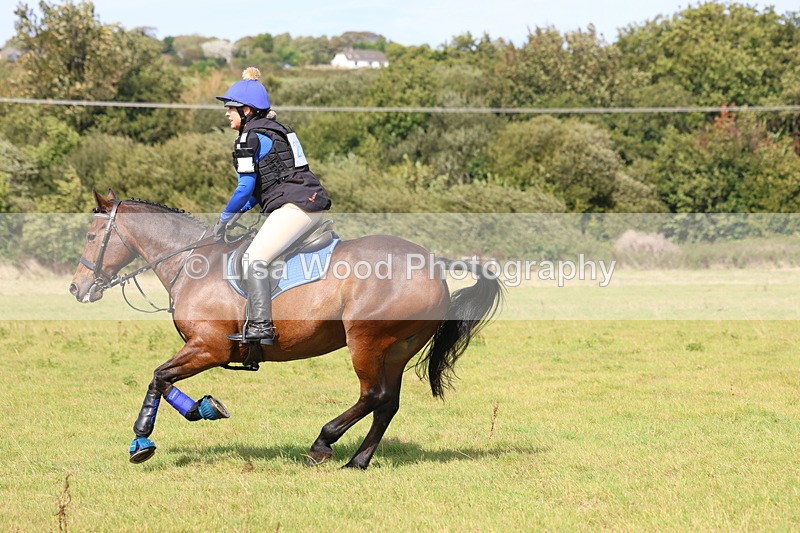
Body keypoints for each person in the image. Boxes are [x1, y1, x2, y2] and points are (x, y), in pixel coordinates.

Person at [213, 67, 331, 345]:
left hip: (294, 208)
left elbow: (244, 188)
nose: (226, 113)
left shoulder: (247, 138)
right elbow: (263, 187)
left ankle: (261, 326)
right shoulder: (281, 131)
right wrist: (239, 214)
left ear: (247, 110)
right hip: (307, 202)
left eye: (231, 108)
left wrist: (224, 218)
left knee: (254, 258)